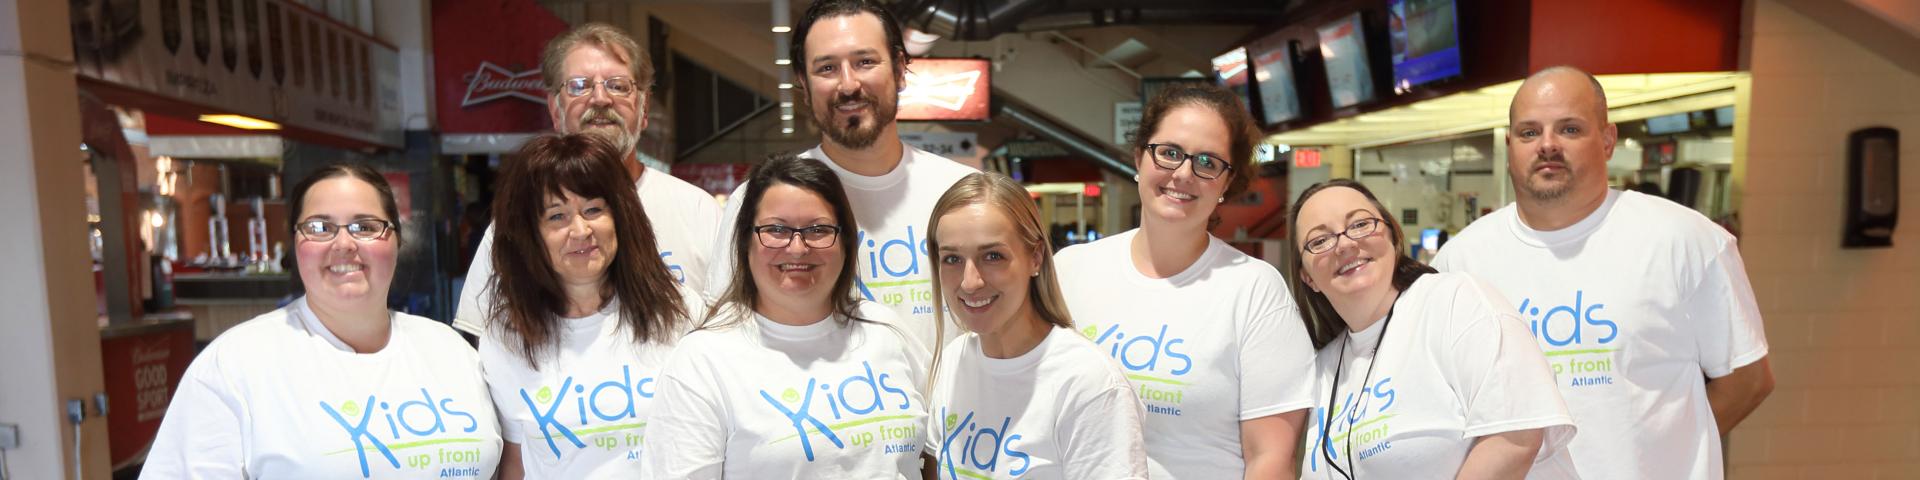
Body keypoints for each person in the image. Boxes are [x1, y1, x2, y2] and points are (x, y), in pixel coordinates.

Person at [1432, 66, 1773, 479]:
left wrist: (1664, 459)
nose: (1547, 145)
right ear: (1510, 145)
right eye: (1529, 132)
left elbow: (1747, 381)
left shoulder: (1686, 240)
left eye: (1569, 129)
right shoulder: (1460, 262)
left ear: (1607, 140)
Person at [144, 164, 501, 478]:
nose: (343, 243)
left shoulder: (450, 350)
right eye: (319, 227)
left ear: (396, 240)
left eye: (365, 226)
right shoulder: (234, 365)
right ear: (294, 243)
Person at [1052, 83, 1315, 479]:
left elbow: (1271, 459)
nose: (1184, 173)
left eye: (1208, 162)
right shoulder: (1070, 269)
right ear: (1139, 158)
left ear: (1226, 183)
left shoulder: (1255, 290)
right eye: (1170, 153)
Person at [703, 0, 976, 351]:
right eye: (827, 68)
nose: (848, 84)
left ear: (899, 70)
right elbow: (726, 336)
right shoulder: (761, 202)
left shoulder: (964, 191)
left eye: (865, 62)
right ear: (803, 83)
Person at [642, 154, 931, 478]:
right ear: (745, 241)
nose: (797, 248)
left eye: (818, 229)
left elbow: (934, 450)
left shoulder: (884, 328)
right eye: (776, 229)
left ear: (846, 240)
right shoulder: (703, 360)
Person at [1287, 179, 1577, 479]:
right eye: (1320, 241)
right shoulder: (1324, 369)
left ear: (1391, 235)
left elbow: (1515, 437)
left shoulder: (1455, 302)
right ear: (1307, 277)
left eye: (1360, 224)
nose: (1345, 244)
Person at [456, 22, 723, 337]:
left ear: (644, 109)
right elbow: (480, 336)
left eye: (618, 85)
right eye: (579, 85)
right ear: (555, 110)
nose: (600, 98)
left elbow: (731, 332)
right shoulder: (520, 218)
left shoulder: (699, 211)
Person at [476, 134, 705, 478]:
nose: (580, 230)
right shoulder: (506, 336)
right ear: (529, 234)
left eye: (594, 209)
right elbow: (517, 461)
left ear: (621, 216)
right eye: (557, 216)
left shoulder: (679, 310)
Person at [924, 172, 1148, 479]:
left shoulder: (1088, 384)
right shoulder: (955, 360)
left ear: (1035, 257)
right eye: (952, 259)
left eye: (993, 256)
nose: (970, 282)